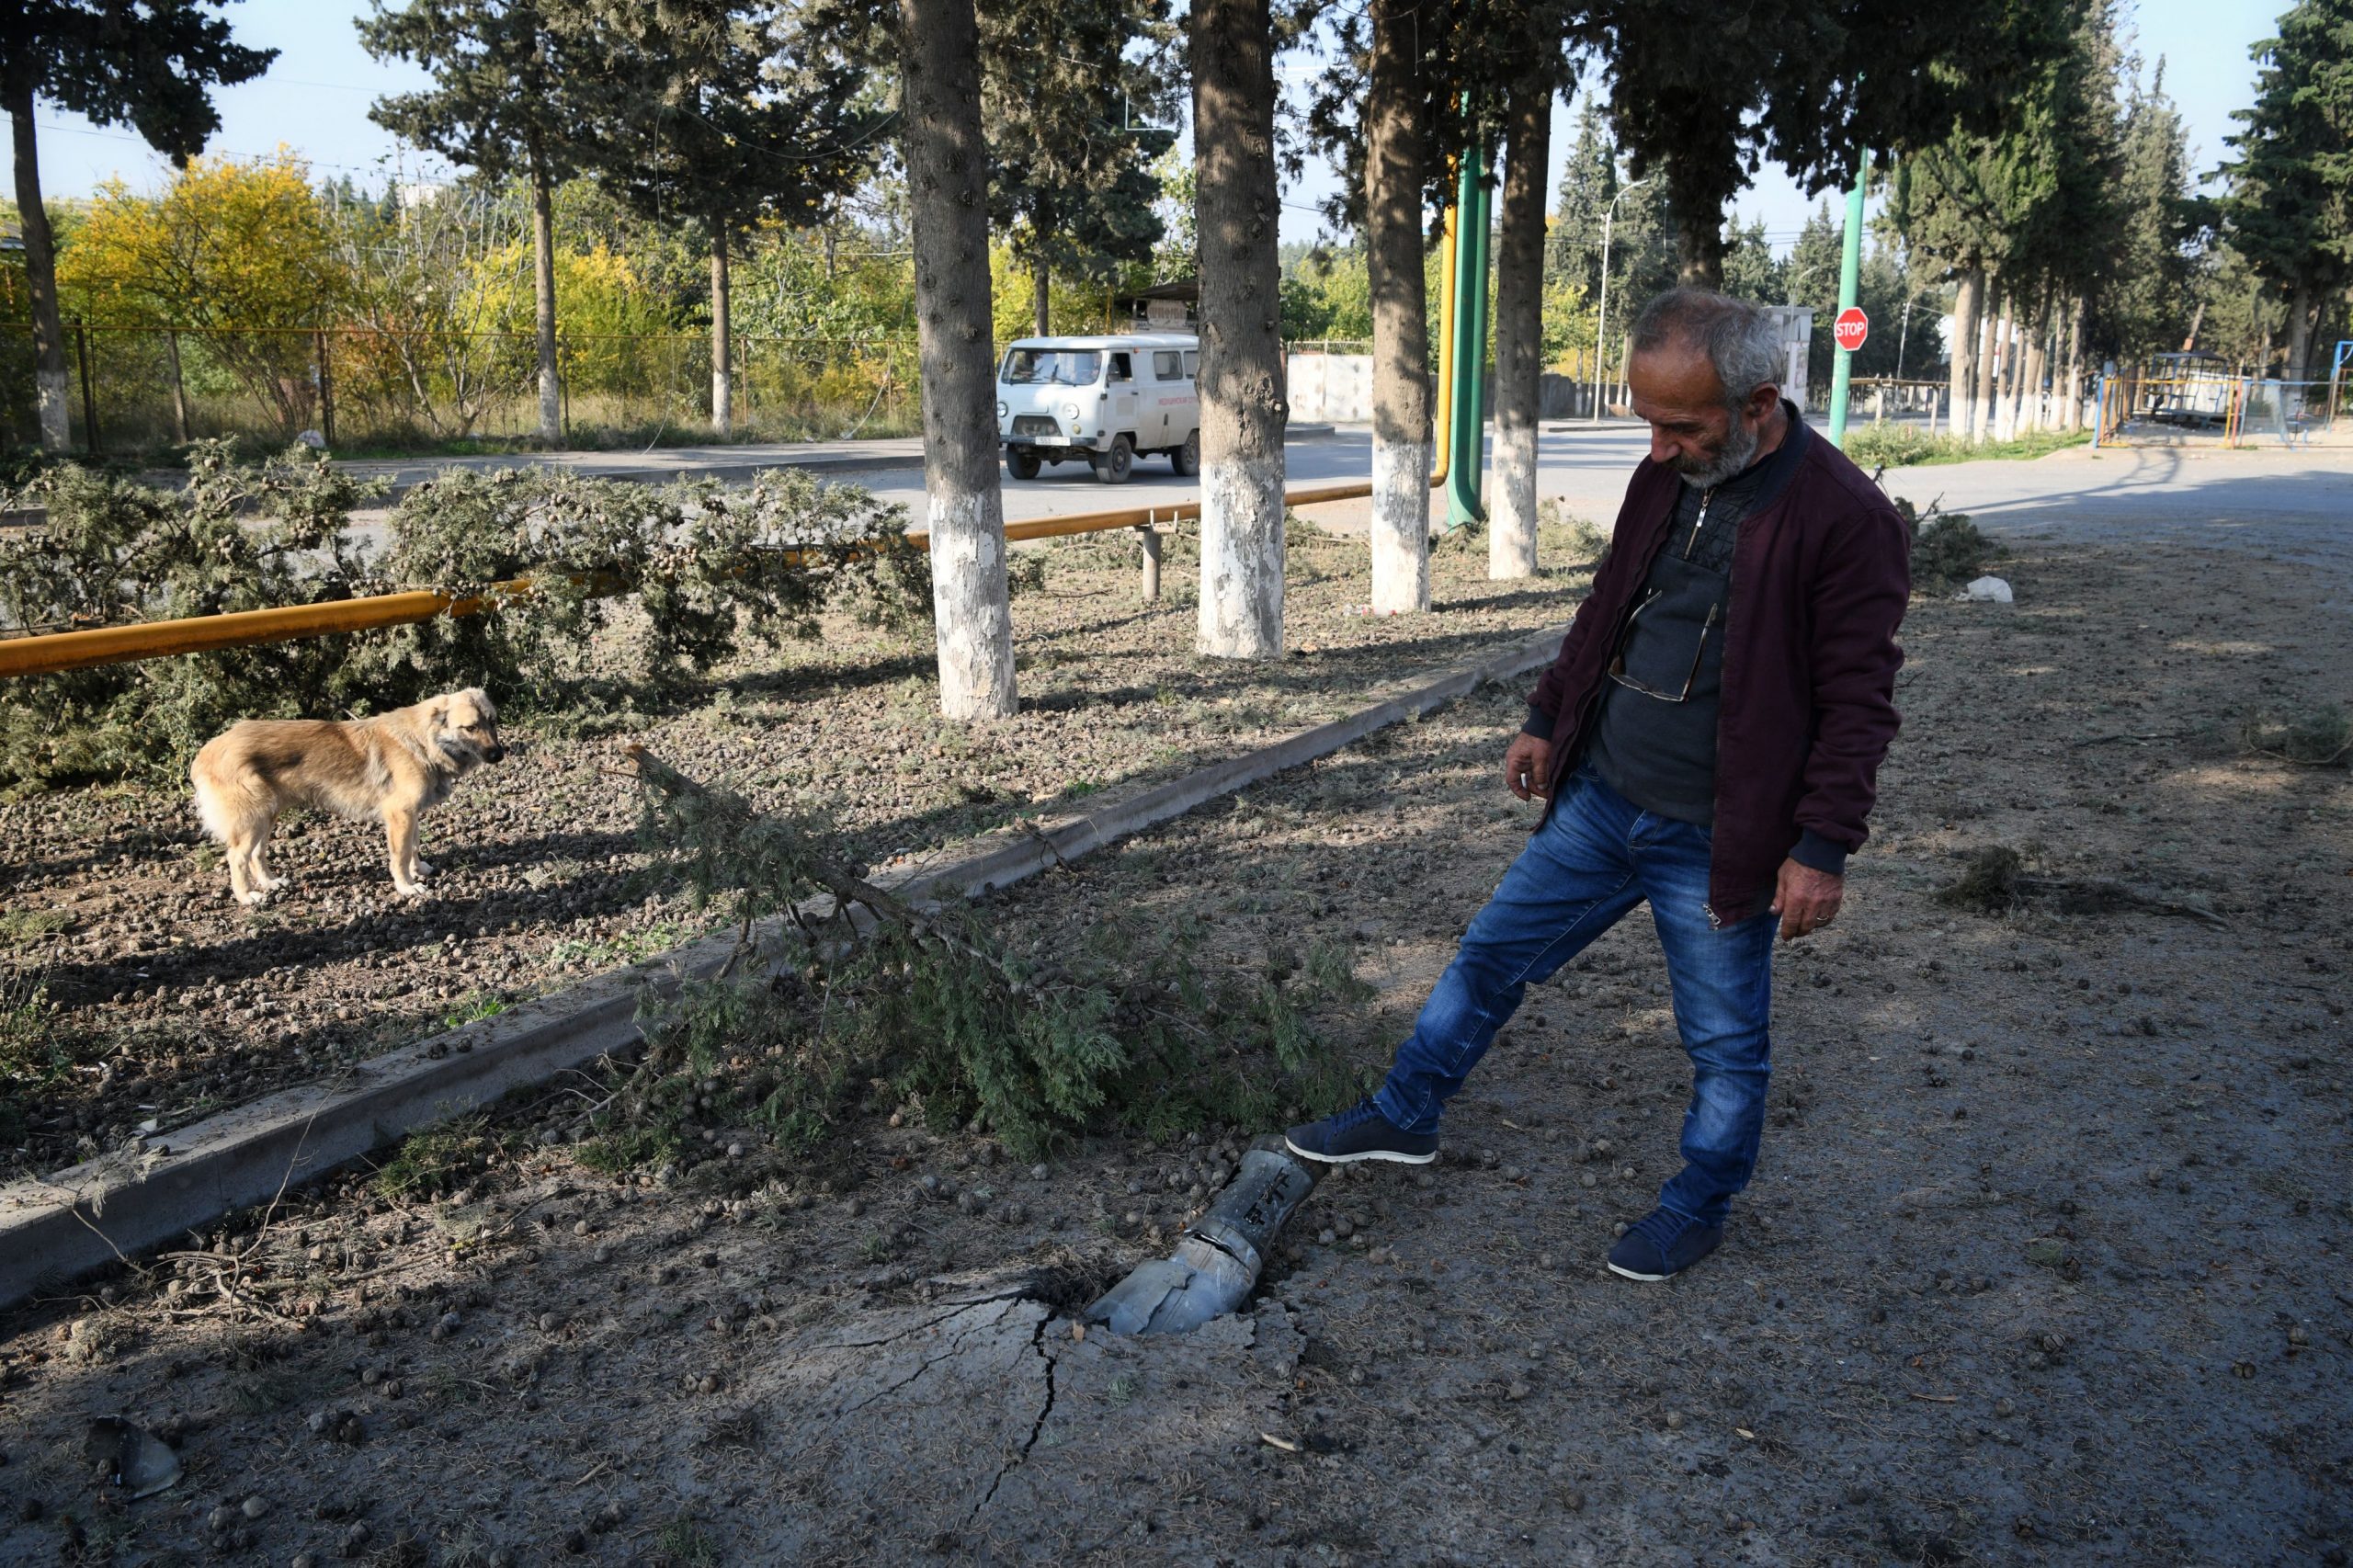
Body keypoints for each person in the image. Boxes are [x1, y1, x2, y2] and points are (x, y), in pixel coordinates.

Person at [1285, 288, 1911, 1281]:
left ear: (1758, 404)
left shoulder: (1844, 519)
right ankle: (1405, 1113)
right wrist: (1546, 712)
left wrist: (1821, 846)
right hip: (1600, 796)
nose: (1658, 447)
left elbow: (1858, 701)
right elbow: (1607, 600)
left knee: (1722, 1043)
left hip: (1718, 837)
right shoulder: (1664, 476)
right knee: (1488, 957)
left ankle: (1699, 1203)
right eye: (1648, 423)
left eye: (1682, 425)